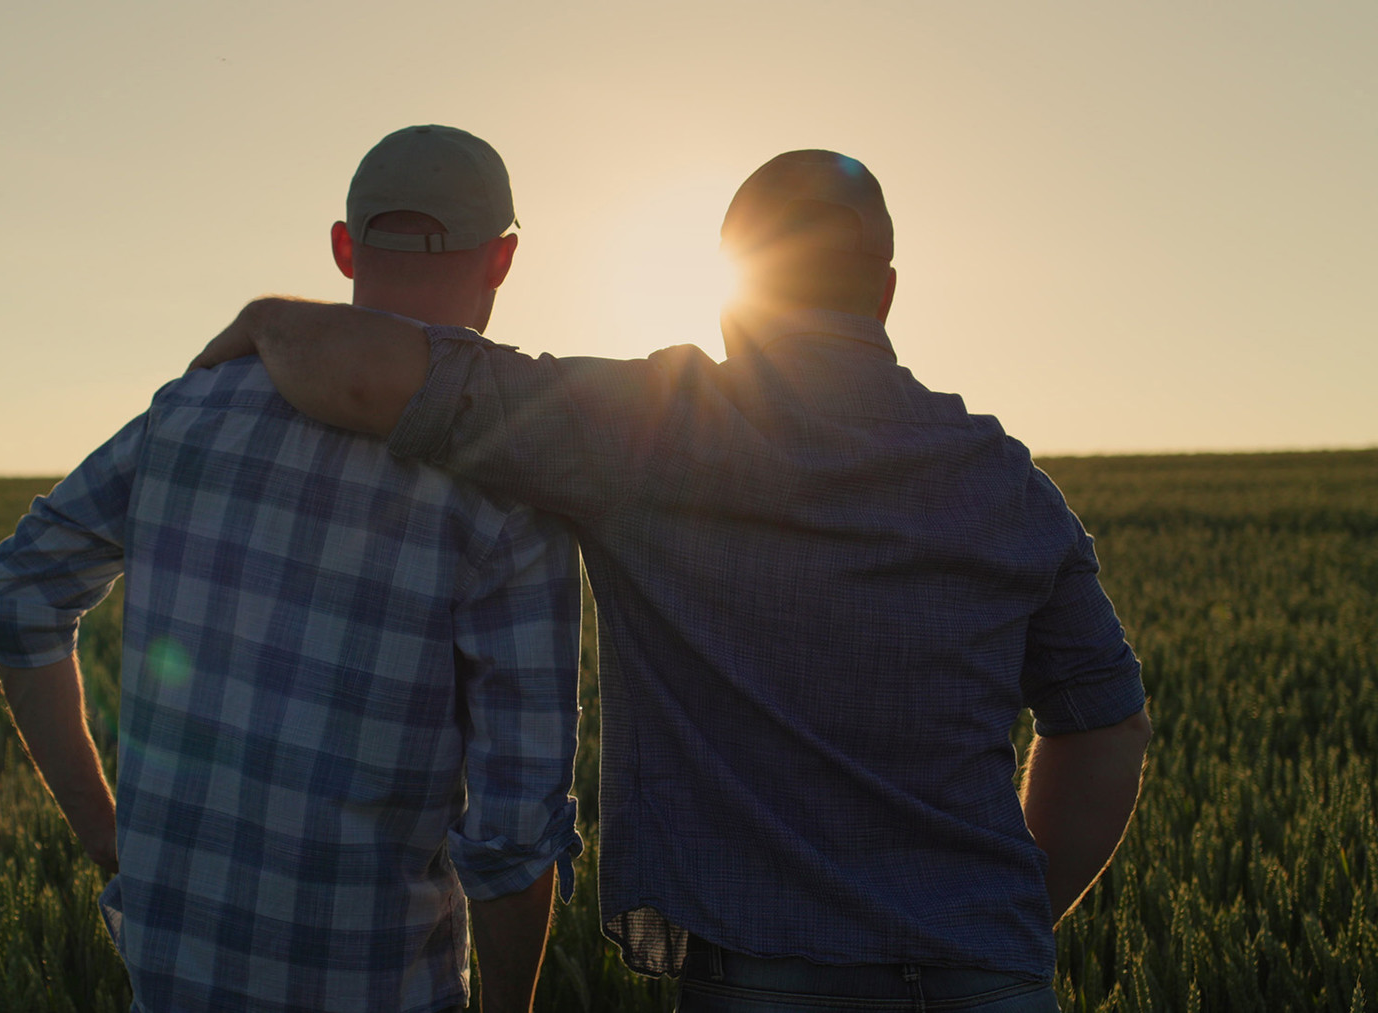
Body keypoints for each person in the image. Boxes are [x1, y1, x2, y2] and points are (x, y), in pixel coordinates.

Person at [190, 149, 1153, 1012]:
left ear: (730, 289)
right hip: (994, 973)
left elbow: (376, 378)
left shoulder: (649, 430)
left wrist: (271, 318)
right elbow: (1106, 727)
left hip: (766, 979)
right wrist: (996, 916)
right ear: (887, 291)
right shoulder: (1009, 482)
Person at [0, 124, 583, 1013]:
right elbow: (514, 839)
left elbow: (16, 593)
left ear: (342, 247)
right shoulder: (508, 482)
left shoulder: (192, 405)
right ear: (503, 260)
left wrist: (110, 835)